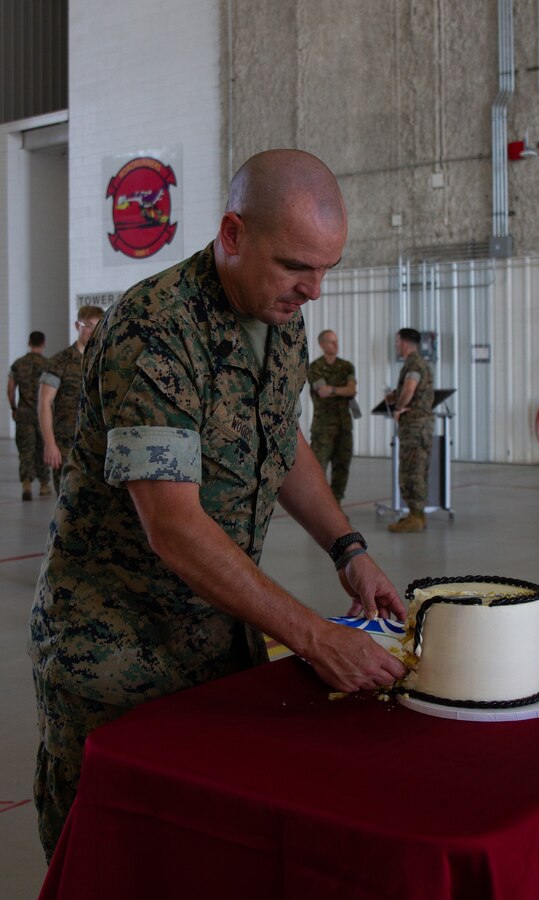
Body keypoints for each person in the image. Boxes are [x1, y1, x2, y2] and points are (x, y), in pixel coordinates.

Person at [28, 149, 407, 862]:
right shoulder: (155, 330)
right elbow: (173, 526)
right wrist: (317, 637)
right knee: (114, 865)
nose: (314, 290)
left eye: (326, 269)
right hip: (115, 659)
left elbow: (281, 439)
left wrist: (349, 551)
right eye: (297, 265)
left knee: (205, 861)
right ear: (232, 235)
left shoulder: (278, 316)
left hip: (213, 646)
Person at [38, 306, 104, 493]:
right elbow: (44, 403)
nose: (92, 332)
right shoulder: (60, 361)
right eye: (88, 326)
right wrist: (50, 444)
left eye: (97, 327)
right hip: (67, 444)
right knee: (66, 503)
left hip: (98, 445)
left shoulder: (105, 360)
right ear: (78, 326)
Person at [386, 327, 434, 533]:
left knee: (411, 469)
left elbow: (410, 387)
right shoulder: (421, 363)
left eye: (397, 342)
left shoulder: (413, 364)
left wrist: (398, 406)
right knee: (418, 469)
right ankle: (417, 515)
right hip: (421, 424)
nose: (396, 346)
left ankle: (415, 516)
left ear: (404, 343)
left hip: (414, 425)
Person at [308, 329, 357, 502]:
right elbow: (322, 392)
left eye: (336, 341)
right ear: (322, 344)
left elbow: (352, 389)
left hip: (344, 425)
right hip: (323, 427)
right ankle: (320, 505)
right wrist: (341, 390)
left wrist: (333, 389)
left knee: (342, 467)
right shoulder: (315, 367)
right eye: (331, 342)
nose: (336, 345)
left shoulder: (346, 366)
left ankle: (336, 504)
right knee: (318, 469)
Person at [6, 331, 51, 500]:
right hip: (42, 414)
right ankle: (45, 484)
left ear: (29, 342)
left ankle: (26, 483)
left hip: (24, 413)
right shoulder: (48, 364)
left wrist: (14, 407)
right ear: (43, 343)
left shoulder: (18, 364)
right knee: (43, 448)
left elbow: (10, 389)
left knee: (26, 449)